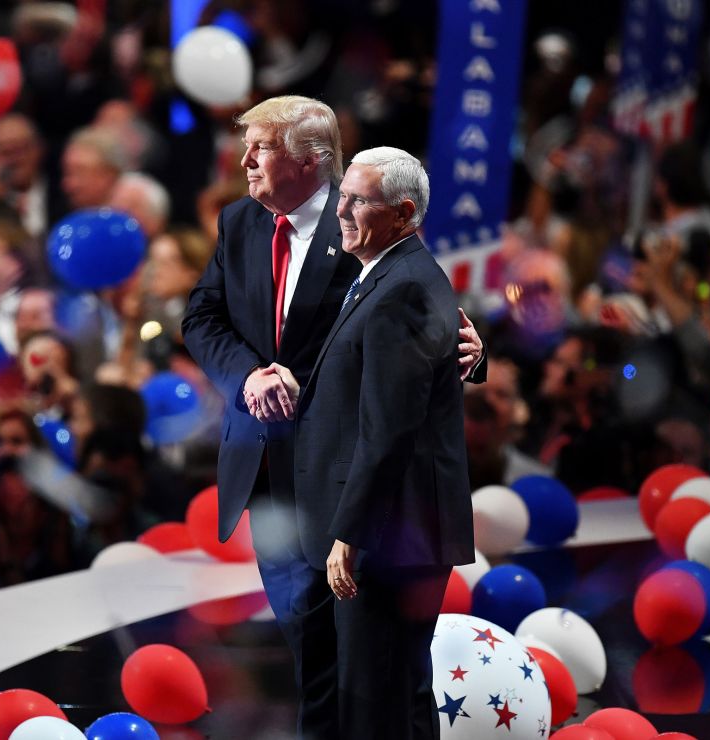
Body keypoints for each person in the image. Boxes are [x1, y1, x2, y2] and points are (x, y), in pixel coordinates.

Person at [181, 96, 484, 739]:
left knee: (372, 674)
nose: (245, 161)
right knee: (313, 654)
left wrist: (472, 353)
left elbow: (413, 326)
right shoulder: (239, 223)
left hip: (354, 479)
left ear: (310, 160)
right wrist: (248, 376)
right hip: (268, 465)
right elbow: (201, 318)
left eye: (260, 147)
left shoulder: (366, 225)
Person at [292, 148, 474, 739]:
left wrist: (352, 531)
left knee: (379, 706)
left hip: (389, 536)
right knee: (393, 700)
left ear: (402, 213)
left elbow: (389, 427)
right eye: (342, 195)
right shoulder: (393, 274)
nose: (340, 210)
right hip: (390, 530)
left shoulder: (404, 288)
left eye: (358, 200)